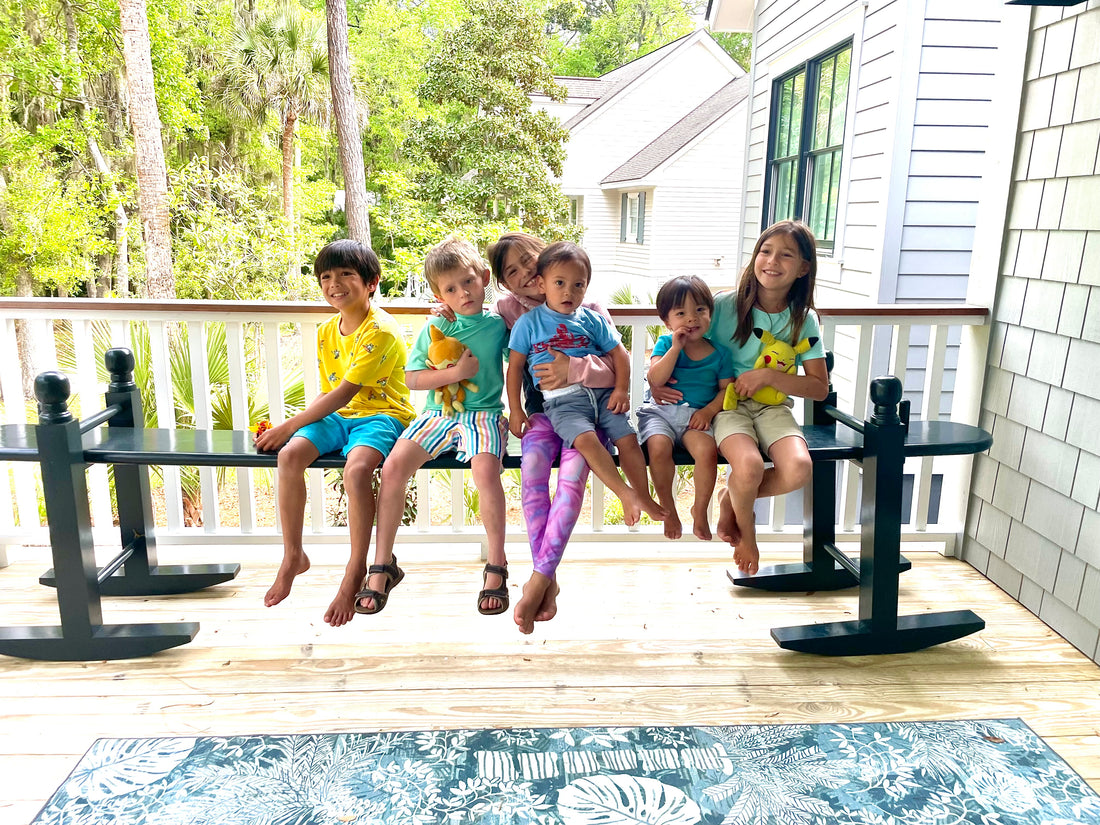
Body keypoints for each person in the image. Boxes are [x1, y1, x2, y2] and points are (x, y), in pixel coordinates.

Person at [255, 239, 416, 627]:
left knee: (356, 470)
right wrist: (298, 428)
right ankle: (293, 554)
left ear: (371, 282)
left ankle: (355, 569)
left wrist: (289, 424)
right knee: (289, 455)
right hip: (340, 414)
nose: (334, 284)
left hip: (382, 414)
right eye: (326, 277)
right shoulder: (328, 329)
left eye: (346, 275)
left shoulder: (381, 329)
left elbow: (349, 390)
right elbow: (331, 391)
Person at [358, 236, 511, 615]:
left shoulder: (499, 324)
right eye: (451, 288)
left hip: (484, 413)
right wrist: (457, 373)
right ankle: (382, 564)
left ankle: (497, 564)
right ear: (439, 295)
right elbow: (413, 379)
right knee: (393, 468)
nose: (463, 293)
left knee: (486, 470)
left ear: (485, 278)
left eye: (469, 282)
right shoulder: (437, 327)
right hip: (437, 414)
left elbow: (522, 358)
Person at [508, 242, 666, 583]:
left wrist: (622, 389)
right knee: (585, 440)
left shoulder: (592, 318)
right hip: (563, 402)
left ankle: (641, 496)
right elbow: (514, 368)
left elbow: (621, 356)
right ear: (542, 284)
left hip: (604, 395)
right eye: (560, 283)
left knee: (627, 440)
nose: (569, 291)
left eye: (578, 284)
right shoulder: (528, 323)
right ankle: (626, 492)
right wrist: (517, 410)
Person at [485, 232, 617, 635]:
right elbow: (467, 316)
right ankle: (549, 576)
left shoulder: (587, 305)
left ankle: (539, 579)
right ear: (504, 283)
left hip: (589, 414)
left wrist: (575, 370)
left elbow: (618, 368)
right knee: (533, 478)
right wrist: (446, 313)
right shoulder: (509, 310)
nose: (524, 271)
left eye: (529, 259)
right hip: (543, 413)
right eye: (511, 270)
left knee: (572, 481)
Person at [708, 220, 829, 575]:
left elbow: (818, 387)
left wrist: (769, 376)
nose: (772, 261)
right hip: (727, 405)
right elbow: (687, 345)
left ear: (803, 268)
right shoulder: (724, 306)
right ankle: (748, 533)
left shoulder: (803, 320)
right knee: (749, 466)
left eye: (786, 255)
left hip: (774, 409)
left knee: (798, 469)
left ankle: (731, 496)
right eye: (765, 251)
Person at [638, 276, 734, 541]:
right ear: (667, 322)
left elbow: (727, 389)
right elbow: (656, 379)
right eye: (681, 313)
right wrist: (676, 348)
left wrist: (709, 411)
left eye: (700, 310)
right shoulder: (666, 344)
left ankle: (700, 510)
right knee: (658, 448)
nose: (692, 319)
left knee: (706, 452)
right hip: (661, 414)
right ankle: (668, 508)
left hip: (696, 418)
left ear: (710, 315)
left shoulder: (720, 353)